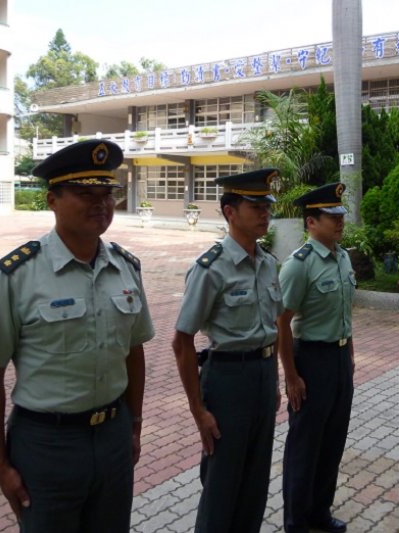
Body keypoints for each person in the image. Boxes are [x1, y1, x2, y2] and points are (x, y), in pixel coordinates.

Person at [0, 139, 155, 532]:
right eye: (84, 193)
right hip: (46, 446)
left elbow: (133, 350)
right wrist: (0, 466)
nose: (100, 204)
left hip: (113, 436)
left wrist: (133, 424)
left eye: (107, 193)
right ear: (51, 200)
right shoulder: (15, 275)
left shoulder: (125, 268)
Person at [172, 168, 283, 533]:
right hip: (227, 381)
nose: (265, 212)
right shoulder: (211, 268)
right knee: (222, 484)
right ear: (230, 212)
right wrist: (198, 410)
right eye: (255, 206)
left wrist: (276, 379)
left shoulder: (268, 264)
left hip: (262, 378)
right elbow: (182, 341)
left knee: (255, 483)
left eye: (267, 205)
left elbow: (276, 327)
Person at [278, 182, 355, 533]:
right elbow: (282, 323)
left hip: (339, 362)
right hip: (310, 360)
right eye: (331, 216)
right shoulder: (299, 265)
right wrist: (291, 376)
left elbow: (346, 317)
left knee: (332, 442)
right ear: (311, 222)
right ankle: (295, 521)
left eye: (340, 215)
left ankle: (319, 513)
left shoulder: (342, 257)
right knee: (304, 447)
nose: (339, 222)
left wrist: (349, 358)